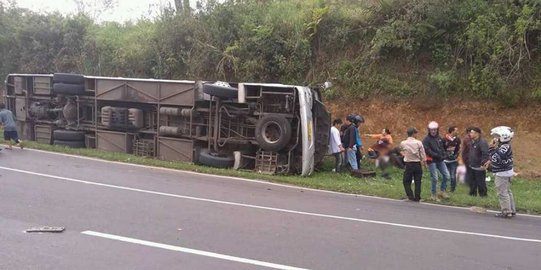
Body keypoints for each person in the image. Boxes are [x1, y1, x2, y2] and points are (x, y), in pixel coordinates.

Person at [486, 126, 516, 218]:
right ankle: (511, 210)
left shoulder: (504, 147)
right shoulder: (504, 146)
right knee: (507, 191)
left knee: (502, 193)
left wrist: (491, 148)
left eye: (498, 136)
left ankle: (506, 212)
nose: (496, 138)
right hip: (507, 172)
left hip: (503, 173)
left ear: (504, 136)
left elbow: (497, 158)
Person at [423, 121, 451, 201]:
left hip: (440, 160)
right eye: (432, 130)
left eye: (435, 130)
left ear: (437, 130)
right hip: (431, 161)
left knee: (446, 176)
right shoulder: (426, 140)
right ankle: (433, 194)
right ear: (429, 130)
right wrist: (437, 155)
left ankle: (442, 191)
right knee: (435, 178)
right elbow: (428, 151)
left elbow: (442, 148)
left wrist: (444, 154)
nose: (433, 131)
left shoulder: (439, 138)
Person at [400, 127, 426, 202]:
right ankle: (417, 197)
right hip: (417, 163)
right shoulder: (419, 142)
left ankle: (410, 196)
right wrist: (424, 164)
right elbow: (423, 155)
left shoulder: (403, 143)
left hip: (409, 164)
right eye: (416, 133)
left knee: (406, 181)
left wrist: (405, 155)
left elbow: (401, 151)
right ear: (414, 134)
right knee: (418, 181)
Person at [467, 127, 489, 197]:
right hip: (472, 166)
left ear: (477, 134)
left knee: (481, 183)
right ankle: (472, 195)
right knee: (472, 182)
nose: (470, 134)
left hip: (479, 167)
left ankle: (483, 196)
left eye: (472, 133)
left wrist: (483, 163)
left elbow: (485, 153)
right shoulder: (472, 142)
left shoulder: (482, 142)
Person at [443, 126, 461, 192]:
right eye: (456, 130)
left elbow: (458, 149)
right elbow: (442, 149)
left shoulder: (458, 139)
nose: (457, 132)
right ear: (452, 131)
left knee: (453, 176)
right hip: (445, 161)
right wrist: (445, 155)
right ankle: (443, 189)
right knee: (445, 175)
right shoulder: (444, 139)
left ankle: (452, 190)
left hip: (453, 161)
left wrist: (456, 156)